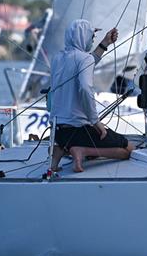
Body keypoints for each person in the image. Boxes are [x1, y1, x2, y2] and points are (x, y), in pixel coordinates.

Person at [48, 19, 134, 173]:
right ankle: (81, 151)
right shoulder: (84, 59)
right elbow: (86, 88)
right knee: (128, 150)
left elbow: (86, 62)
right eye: (91, 35)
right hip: (78, 129)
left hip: (59, 132)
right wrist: (96, 122)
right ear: (83, 36)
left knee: (70, 139)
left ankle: (60, 151)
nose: (93, 38)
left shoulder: (58, 58)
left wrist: (105, 43)